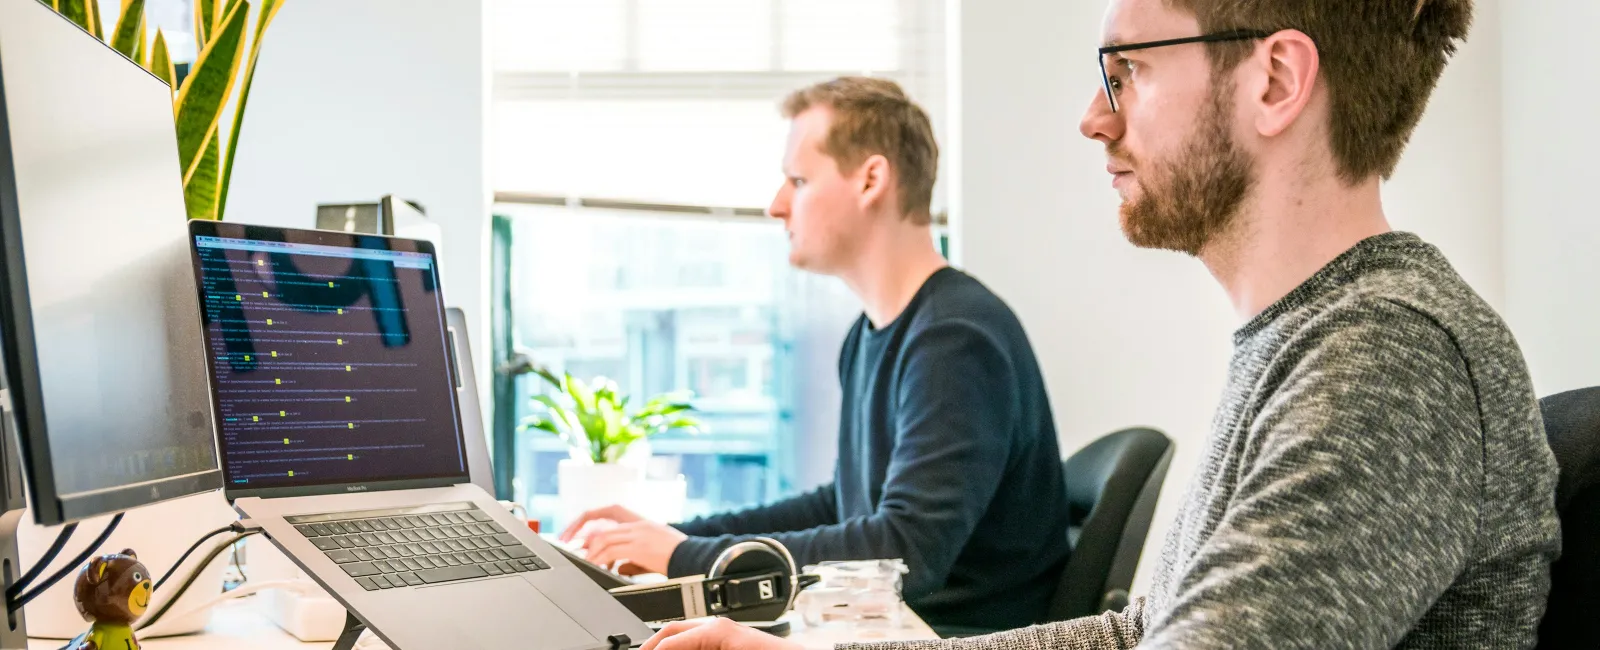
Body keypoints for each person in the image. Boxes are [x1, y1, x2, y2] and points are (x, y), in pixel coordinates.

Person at [639, 0, 1562, 648]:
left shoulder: (1385, 359)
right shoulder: (1310, 338)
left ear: (1275, 79)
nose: (1092, 118)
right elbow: (1142, 631)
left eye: (1127, 73)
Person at [561, 77, 1072, 632]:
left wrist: (685, 558)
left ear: (871, 180)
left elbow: (905, 553)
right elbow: (843, 506)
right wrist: (679, 537)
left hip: (955, 636)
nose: (776, 205)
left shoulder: (956, 338)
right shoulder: (872, 334)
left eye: (798, 180)